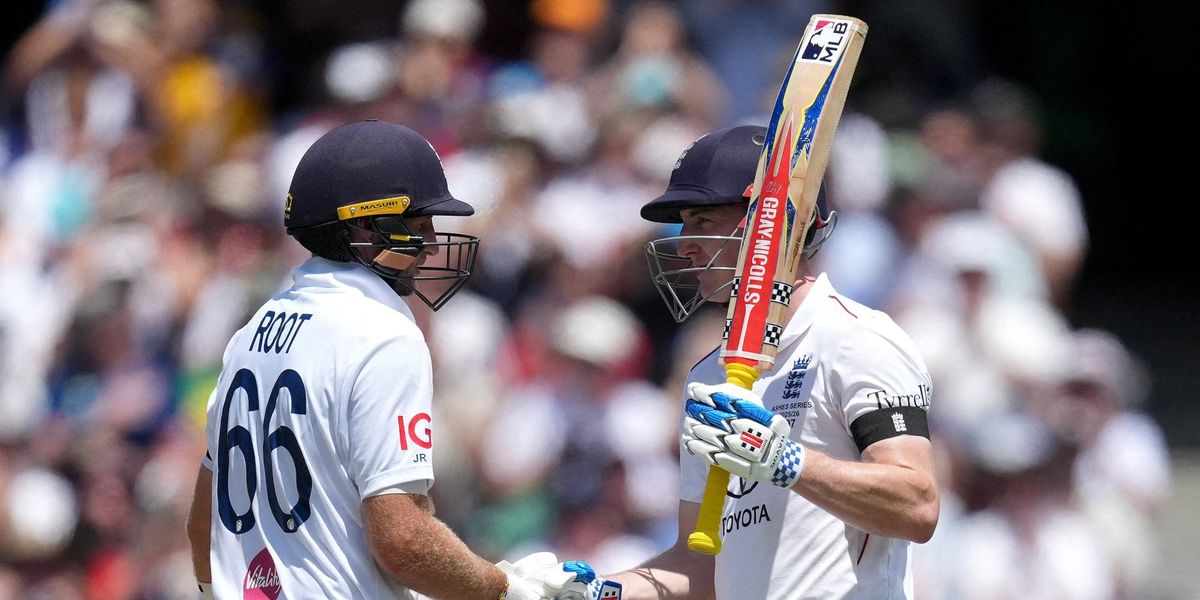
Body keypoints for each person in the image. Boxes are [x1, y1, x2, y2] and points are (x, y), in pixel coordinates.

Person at [184, 119, 622, 600]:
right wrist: (506, 590)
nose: (431, 243)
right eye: (417, 225)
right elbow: (403, 541)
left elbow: (203, 524)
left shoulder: (250, 333)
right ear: (363, 225)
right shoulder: (382, 332)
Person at [608, 125, 940, 598]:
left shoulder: (853, 337)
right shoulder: (707, 376)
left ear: (772, 224)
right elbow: (700, 566)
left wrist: (783, 460)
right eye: (683, 223)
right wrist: (599, 591)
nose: (683, 244)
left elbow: (917, 504)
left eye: (702, 220)